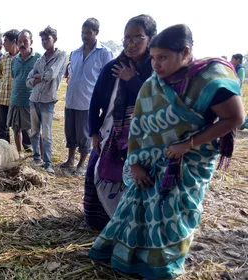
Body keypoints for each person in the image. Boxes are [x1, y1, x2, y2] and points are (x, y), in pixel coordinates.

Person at [89, 24, 245, 280]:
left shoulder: (210, 80)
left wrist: (188, 144)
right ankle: (129, 260)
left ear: (185, 52)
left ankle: (162, 267)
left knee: (172, 216)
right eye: (152, 58)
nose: (156, 64)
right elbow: (139, 125)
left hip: (187, 164)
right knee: (136, 212)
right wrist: (136, 163)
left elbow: (235, 118)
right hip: (149, 164)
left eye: (162, 58)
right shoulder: (154, 84)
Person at [83, 15, 156, 229]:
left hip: (142, 139)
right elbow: (95, 101)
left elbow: (155, 101)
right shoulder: (112, 68)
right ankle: (100, 221)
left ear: (150, 39)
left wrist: (132, 81)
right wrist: (94, 133)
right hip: (108, 133)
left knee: (131, 181)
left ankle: (126, 223)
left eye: (137, 38)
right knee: (98, 173)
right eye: (126, 38)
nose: (130, 44)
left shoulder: (156, 69)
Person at [61, 18, 113, 174]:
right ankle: (70, 160)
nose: (85, 36)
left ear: (96, 33)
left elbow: (108, 78)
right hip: (71, 99)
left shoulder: (104, 53)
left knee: (84, 134)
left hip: (88, 101)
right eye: (83, 32)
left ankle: (82, 164)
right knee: (70, 132)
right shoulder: (75, 53)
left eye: (89, 33)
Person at [27, 26, 66, 174]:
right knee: (34, 131)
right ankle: (37, 158)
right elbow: (28, 80)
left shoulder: (61, 55)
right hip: (34, 98)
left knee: (47, 133)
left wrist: (39, 77)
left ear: (54, 39)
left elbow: (52, 74)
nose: (44, 42)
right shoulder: (40, 59)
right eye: (42, 39)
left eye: (47, 39)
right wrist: (36, 79)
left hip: (48, 100)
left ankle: (48, 163)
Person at [8, 29, 39, 155]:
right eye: (19, 41)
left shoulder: (38, 58)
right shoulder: (14, 60)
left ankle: (38, 156)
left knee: (35, 130)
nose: (22, 44)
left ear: (31, 42)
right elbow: (14, 76)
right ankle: (19, 153)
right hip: (15, 99)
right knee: (16, 129)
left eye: (25, 41)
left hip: (31, 101)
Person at [0, 29, 19, 143]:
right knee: (2, 127)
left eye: (6, 41)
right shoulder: (2, 59)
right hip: (2, 98)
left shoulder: (21, 58)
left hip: (16, 99)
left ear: (14, 41)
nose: (3, 44)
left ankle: (26, 149)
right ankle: (3, 148)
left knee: (19, 126)